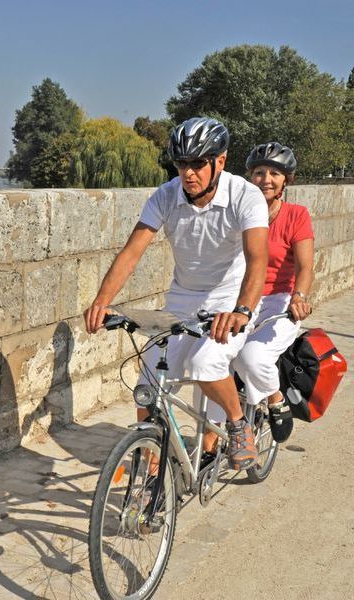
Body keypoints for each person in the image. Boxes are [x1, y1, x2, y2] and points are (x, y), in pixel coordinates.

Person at [83, 116, 269, 470]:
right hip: (182, 299)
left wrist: (242, 310)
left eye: (198, 163)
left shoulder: (246, 196)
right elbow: (132, 252)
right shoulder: (166, 195)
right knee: (148, 382)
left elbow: (258, 260)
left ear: (221, 161)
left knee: (205, 363)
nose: (188, 173)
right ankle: (152, 475)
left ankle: (238, 424)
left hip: (230, 299)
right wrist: (101, 301)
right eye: (182, 164)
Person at [230, 143, 313, 442]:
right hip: (240, 298)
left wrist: (299, 296)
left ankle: (276, 399)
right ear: (250, 177)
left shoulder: (296, 215)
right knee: (215, 359)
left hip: (280, 300)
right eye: (259, 172)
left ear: (286, 180)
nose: (266, 179)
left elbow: (305, 266)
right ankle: (213, 444)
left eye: (274, 173)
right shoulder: (237, 212)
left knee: (251, 357)